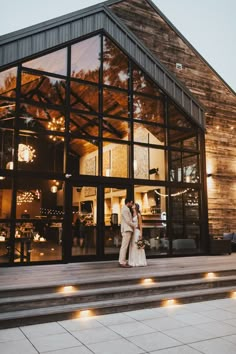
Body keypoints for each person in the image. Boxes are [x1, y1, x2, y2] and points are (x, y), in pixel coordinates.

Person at [128, 203, 147, 267]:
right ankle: (133, 261)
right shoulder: (132, 214)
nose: (132, 206)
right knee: (132, 245)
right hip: (133, 232)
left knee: (137, 245)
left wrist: (141, 234)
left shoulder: (138, 215)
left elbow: (141, 225)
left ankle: (139, 261)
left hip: (137, 231)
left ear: (135, 207)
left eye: (133, 205)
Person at [118, 198, 135, 268]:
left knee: (124, 246)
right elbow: (128, 220)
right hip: (127, 230)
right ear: (129, 202)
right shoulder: (125, 209)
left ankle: (122, 261)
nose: (132, 204)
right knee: (124, 247)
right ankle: (122, 262)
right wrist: (135, 225)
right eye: (131, 203)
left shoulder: (125, 209)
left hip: (127, 229)